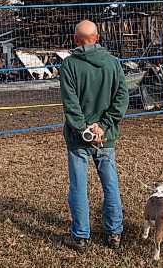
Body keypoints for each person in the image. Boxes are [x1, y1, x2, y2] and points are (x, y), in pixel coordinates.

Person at [60, 20, 129, 254]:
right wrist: (104, 126)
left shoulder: (69, 65)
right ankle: (115, 233)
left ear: (76, 40)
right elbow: (122, 98)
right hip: (105, 137)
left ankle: (80, 237)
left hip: (78, 140)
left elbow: (71, 104)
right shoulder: (113, 63)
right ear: (97, 38)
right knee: (110, 184)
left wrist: (84, 130)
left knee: (78, 186)